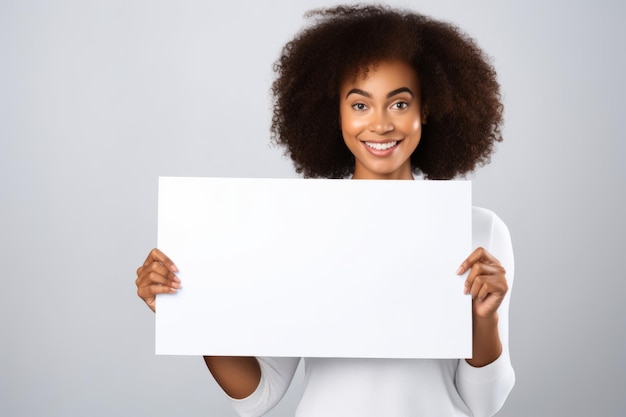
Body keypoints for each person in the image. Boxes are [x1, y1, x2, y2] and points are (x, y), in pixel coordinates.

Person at [136, 4, 515, 417]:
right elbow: (259, 394)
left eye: (400, 104)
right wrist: (191, 310)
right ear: (334, 114)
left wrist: (484, 320)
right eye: (359, 105)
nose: (381, 124)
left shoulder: (478, 230)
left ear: (427, 109)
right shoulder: (299, 225)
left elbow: (483, 403)